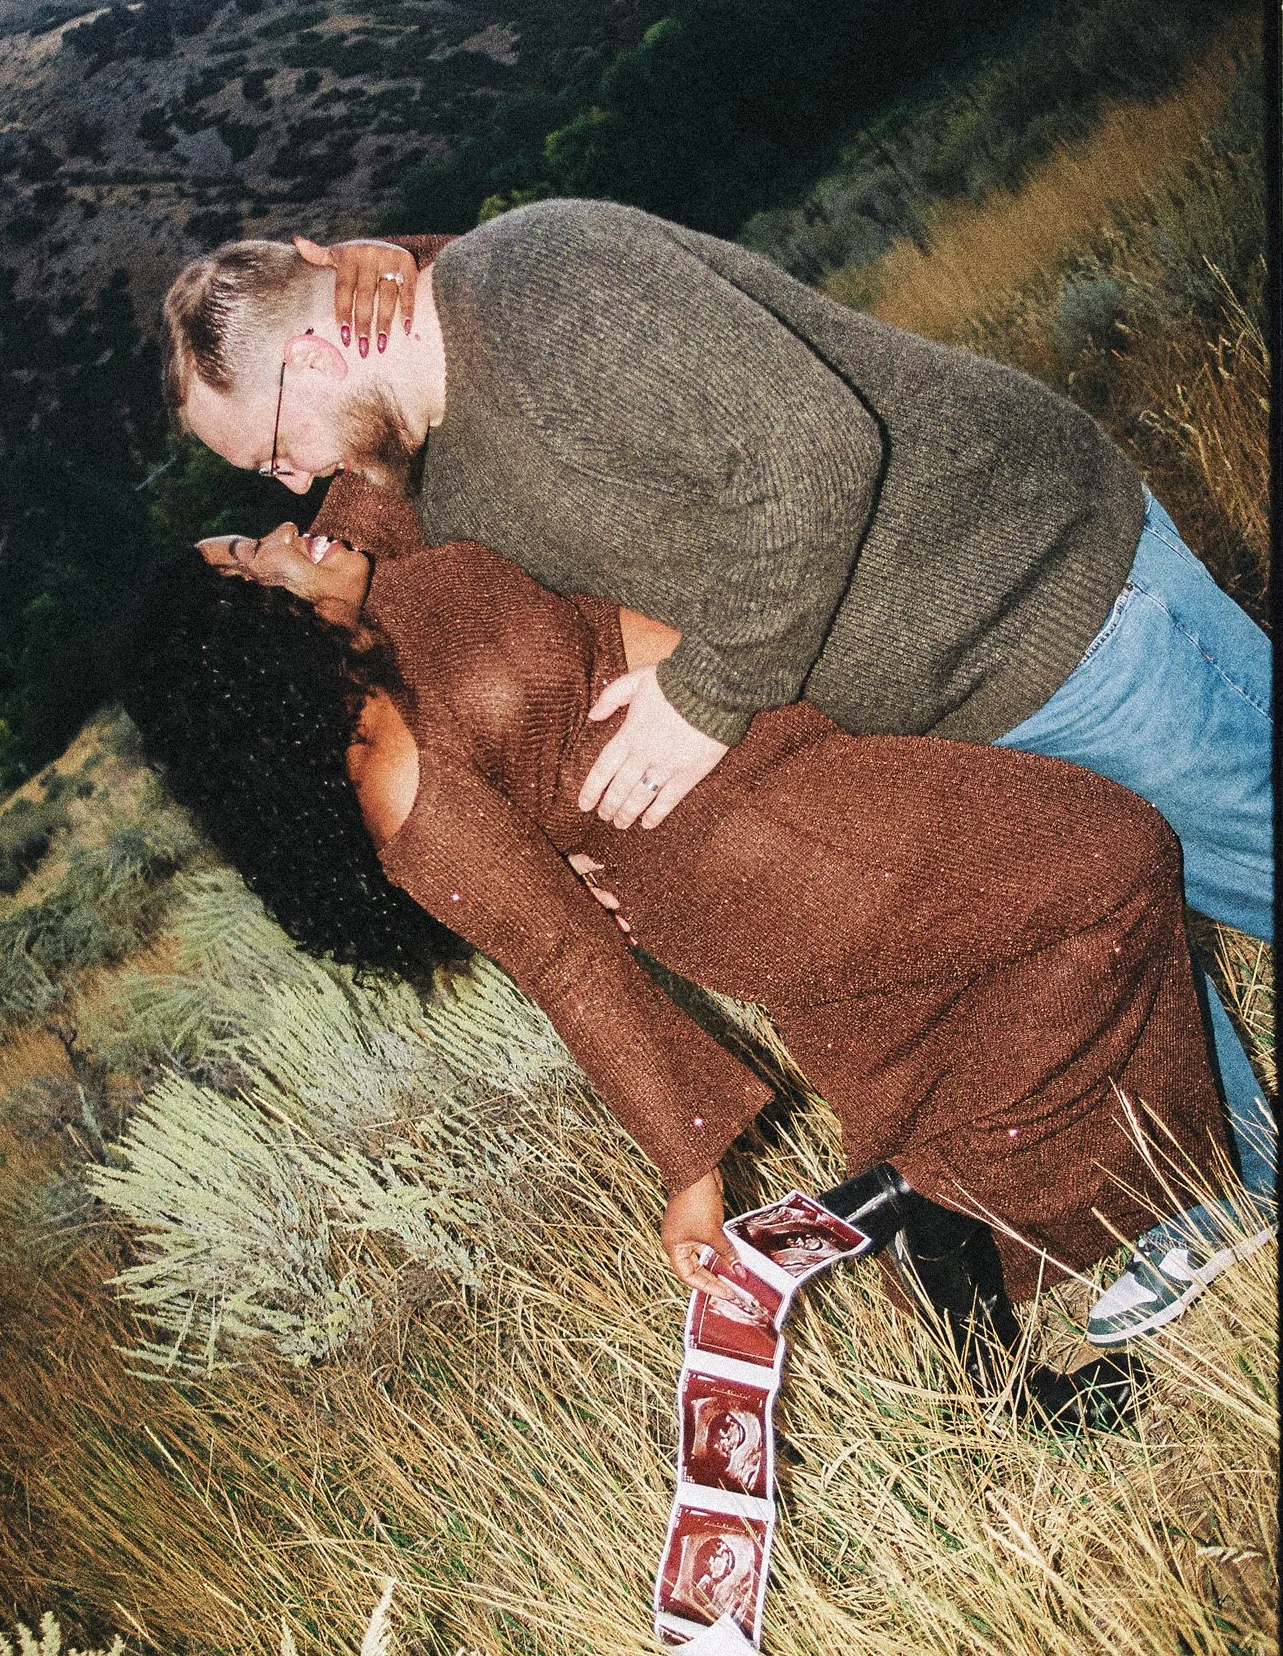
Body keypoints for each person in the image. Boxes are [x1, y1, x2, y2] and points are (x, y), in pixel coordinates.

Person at [158, 205, 1274, 1343]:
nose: (290, 487)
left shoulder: (492, 354)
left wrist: (704, 700)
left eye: (270, 453)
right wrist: (684, 1151)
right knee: (1098, 881)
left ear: (316, 349)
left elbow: (791, 442)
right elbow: (533, 916)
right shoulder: (406, 498)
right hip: (830, 760)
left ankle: (1027, 1198)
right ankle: (1186, 1183)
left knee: (1176, 871)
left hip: (1010, 603)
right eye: (266, 484)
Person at [122, 521, 1237, 1420]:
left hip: (776, 762)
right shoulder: (394, 779)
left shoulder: (367, 579)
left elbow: (396, 360)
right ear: (249, 636)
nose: (277, 529)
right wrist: (687, 1170)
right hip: (756, 848)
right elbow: (561, 956)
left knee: (938, 1015)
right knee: (1111, 859)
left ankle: (989, 1357)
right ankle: (932, 1190)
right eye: (242, 554)